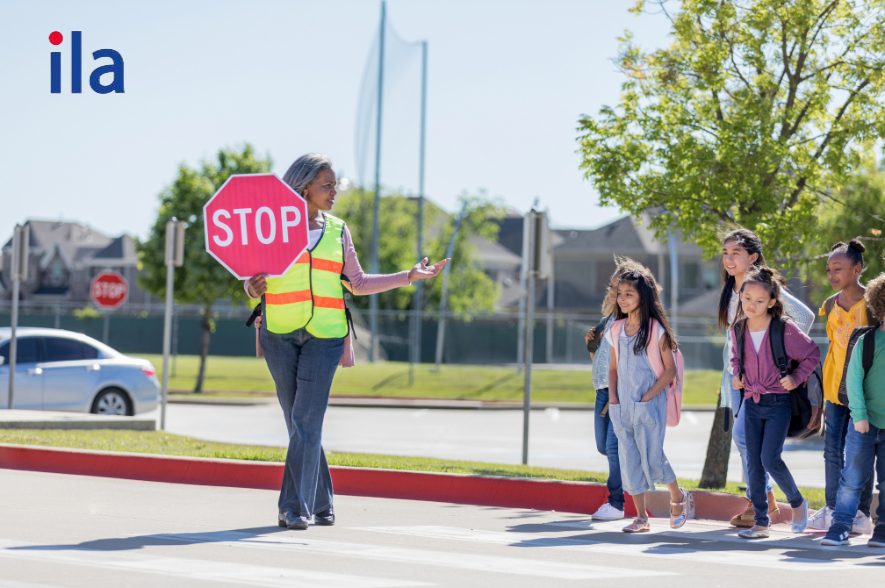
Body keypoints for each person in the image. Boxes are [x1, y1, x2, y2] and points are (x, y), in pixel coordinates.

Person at [245, 153, 448, 530]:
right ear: (305, 188)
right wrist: (248, 285)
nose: (335, 192)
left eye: (335, 185)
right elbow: (249, 277)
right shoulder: (272, 226)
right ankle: (322, 500)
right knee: (298, 422)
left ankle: (293, 507)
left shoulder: (338, 230)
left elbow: (358, 283)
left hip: (325, 334)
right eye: (328, 185)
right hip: (279, 333)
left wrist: (409, 275)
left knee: (306, 419)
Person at [717, 228, 815, 527]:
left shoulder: (765, 291)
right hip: (741, 380)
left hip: (770, 386)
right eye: (726, 253)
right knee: (745, 441)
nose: (729, 258)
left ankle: (763, 503)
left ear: (753, 257)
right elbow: (734, 343)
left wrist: (780, 357)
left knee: (750, 443)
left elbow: (805, 318)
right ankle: (761, 505)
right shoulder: (733, 292)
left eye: (736, 253)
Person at [605, 263, 691, 533]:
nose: (622, 299)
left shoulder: (656, 331)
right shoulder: (617, 330)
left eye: (629, 294)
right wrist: (614, 399)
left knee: (652, 459)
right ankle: (641, 517)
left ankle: (678, 496)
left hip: (649, 404)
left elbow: (670, 371)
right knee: (629, 461)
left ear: (643, 296)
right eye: (620, 293)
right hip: (623, 407)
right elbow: (613, 368)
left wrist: (647, 396)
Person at [809, 240, 875, 534]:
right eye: (829, 269)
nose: (832, 274)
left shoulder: (872, 306)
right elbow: (833, 351)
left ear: (857, 269)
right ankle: (832, 507)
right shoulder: (830, 306)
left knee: (861, 453)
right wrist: (822, 394)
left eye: (838, 268)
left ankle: (860, 513)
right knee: (832, 451)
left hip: (864, 395)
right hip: (835, 392)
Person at [822, 272, 885, 547]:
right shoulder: (867, 341)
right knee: (852, 478)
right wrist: (858, 415)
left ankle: (881, 529)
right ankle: (841, 525)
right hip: (864, 423)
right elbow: (854, 380)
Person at [584, 258, 644, 522]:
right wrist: (591, 346)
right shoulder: (608, 319)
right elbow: (598, 358)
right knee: (603, 446)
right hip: (602, 389)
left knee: (612, 446)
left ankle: (617, 502)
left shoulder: (632, 321)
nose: (612, 292)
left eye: (618, 288)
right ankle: (629, 472)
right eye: (612, 287)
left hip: (619, 391)